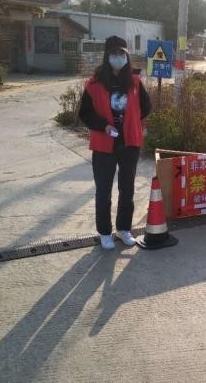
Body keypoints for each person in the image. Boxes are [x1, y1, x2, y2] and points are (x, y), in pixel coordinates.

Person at [79, 36, 151, 250]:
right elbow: (85, 113)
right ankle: (104, 232)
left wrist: (130, 122)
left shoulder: (135, 82)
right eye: (114, 54)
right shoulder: (94, 84)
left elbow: (146, 106)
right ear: (107, 56)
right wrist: (104, 125)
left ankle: (124, 229)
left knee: (127, 189)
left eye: (122, 54)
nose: (118, 58)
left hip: (130, 143)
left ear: (127, 56)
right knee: (103, 190)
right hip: (104, 144)